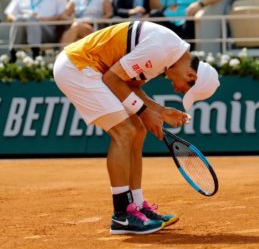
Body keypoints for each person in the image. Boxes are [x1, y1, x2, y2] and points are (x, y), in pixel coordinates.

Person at [53, 21, 220, 235]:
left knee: (138, 130)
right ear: (191, 76)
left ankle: (137, 207)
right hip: (77, 67)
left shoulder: (168, 54)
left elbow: (128, 85)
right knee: (125, 131)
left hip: (88, 68)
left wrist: (159, 110)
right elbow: (112, 78)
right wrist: (144, 112)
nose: (178, 91)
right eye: (185, 91)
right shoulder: (161, 50)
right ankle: (122, 215)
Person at [4, 0, 68, 62]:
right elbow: (9, 15)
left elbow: (63, 17)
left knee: (32, 19)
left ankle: (35, 54)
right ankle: (13, 53)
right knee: (20, 19)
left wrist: (42, 19)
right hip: (24, 29)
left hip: (48, 31)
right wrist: (22, 20)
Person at [156, 0, 223, 43]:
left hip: (188, 17)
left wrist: (199, 4)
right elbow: (158, 5)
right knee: (154, 15)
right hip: (168, 19)